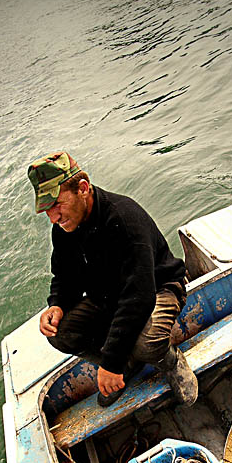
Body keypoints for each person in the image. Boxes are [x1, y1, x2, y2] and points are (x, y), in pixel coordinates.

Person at [27, 150, 198, 408]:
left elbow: (139, 298)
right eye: (46, 210)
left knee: (146, 343)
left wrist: (110, 362)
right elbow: (64, 275)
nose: (53, 217)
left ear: (82, 188)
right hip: (108, 297)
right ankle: (127, 364)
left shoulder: (124, 218)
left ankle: (171, 361)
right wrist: (57, 304)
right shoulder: (64, 228)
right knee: (60, 333)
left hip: (158, 287)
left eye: (57, 205)